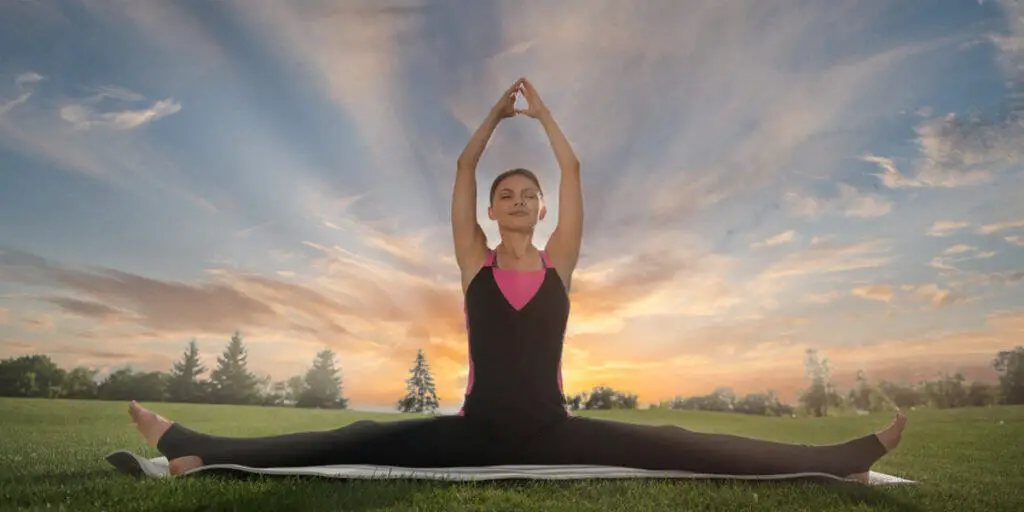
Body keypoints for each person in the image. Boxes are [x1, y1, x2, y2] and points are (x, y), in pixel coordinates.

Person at [128, 77, 907, 482]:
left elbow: (572, 166)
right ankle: (193, 447)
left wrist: (544, 118)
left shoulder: (560, 262)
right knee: (355, 437)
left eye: (527, 195)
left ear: (542, 210)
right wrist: (498, 118)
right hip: (472, 431)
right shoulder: (474, 261)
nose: (518, 200)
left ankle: (844, 457)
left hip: (554, 428)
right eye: (508, 194)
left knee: (676, 439)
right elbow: (464, 168)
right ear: (494, 210)